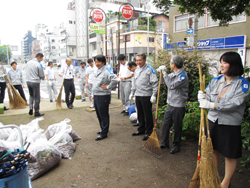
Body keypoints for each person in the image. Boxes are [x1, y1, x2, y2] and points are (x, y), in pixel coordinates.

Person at [198, 52, 250, 188]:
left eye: (225, 62)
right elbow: (208, 95)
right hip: (213, 121)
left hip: (230, 124)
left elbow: (236, 103)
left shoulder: (242, 84)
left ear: (233, 64)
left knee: (229, 154)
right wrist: (202, 97)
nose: (221, 65)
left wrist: (213, 105)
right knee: (212, 149)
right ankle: (213, 177)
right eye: (221, 62)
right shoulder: (215, 81)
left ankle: (225, 183)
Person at [156, 55, 189, 154]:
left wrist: (165, 73)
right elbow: (163, 82)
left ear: (173, 64)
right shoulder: (172, 74)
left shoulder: (183, 76)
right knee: (166, 124)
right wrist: (161, 73)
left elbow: (171, 85)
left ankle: (176, 145)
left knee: (177, 126)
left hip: (178, 105)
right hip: (170, 104)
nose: (169, 65)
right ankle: (164, 142)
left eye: (170, 63)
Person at [130, 53, 158, 141]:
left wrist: (154, 94)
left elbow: (155, 83)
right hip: (138, 95)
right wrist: (132, 92)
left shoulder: (150, 70)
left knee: (147, 114)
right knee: (140, 114)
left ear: (145, 60)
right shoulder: (137, 69)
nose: (138, 62)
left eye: (140, 60)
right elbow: (134, 82)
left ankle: (149, 132)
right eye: (137, 60)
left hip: (146, 95)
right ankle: (141, 129)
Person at [91, 55, 118, 141]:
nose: (96, 63)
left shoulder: (107, 70)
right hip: (96, 95)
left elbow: (115, 79)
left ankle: (104, 133)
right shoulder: (97, 70)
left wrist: (108, 86)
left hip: (103, 96)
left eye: (98, 62)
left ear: (103, 62)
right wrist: (92, 94)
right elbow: (95, 83)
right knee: (99, 114)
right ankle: (103, 128)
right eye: (95, 62)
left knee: (103, 114)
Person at [127, 61, 139, 126]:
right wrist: (132, 93)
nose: (130, 71)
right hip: (137, 93)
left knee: (141, 109)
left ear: (133, 66)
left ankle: (142, 122)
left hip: (143, 93)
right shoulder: (134, 73)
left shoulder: (138, 72)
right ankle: (139, 121)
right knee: (137, 107)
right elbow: (134, 85)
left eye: (130, 69)